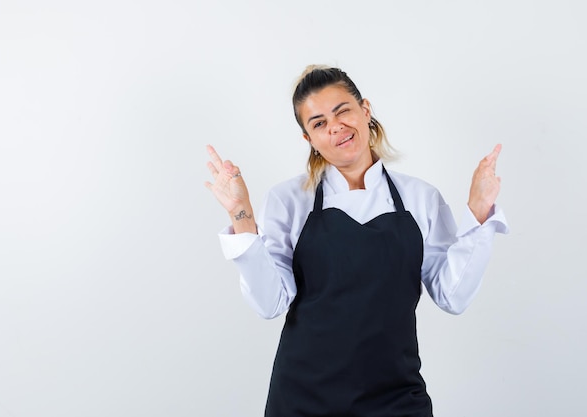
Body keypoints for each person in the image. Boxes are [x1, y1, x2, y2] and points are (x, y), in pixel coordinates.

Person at [204, 65, 508, 417]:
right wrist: (241, 215)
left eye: (342, 110)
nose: (335, 127)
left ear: (365, 110)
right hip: (303, 399)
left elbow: (452, 295)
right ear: (309, 139)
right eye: (318, 123)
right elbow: (270, 303)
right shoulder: (289, 200)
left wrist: (479, 212)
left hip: (396, 397)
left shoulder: (420, 197)